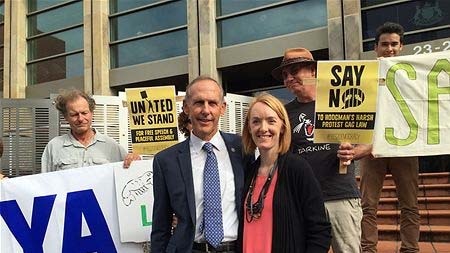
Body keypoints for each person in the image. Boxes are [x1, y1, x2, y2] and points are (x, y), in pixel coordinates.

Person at [271, 47, 361, 253]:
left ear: (313, 71)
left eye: (294, 71)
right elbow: (282, 155)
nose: (289, 78)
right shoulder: (284, 113)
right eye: (285, 75)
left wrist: (355, 152)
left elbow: (372, 140)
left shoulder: (341, 101)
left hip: (340, 195)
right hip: (304, 199)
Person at [151, 76, 245, 253]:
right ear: (186, 107)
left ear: (222, 108)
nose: (206, 110)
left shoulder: (242, 150)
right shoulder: (165, 161)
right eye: (198, 103)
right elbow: (160, 225)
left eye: (212, 103)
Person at [354, 22, 420, 253]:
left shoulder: (415, 75)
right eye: (385, 44)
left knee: (410, 205)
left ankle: (410, 249)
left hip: (405, 147)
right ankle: (368, 249)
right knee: (367, 206)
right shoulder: (364, 76)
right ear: (376, 48)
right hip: (371, 148)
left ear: (401, 46)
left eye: (394, 44)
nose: (389, 48)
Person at [240, 92, 331, 253]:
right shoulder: (248, 172)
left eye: (271, 121)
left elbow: (320, 230)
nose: (263, 128)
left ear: (282, 126)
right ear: (249, 127)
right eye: (256, 121)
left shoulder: (297, 169)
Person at [41, 89, 140, 171]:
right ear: (66, 117)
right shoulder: (54, 147)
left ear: (92, 113)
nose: (80, 119)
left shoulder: (111, 145)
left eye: (84, 113)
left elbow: (129, 173)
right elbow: (45, 184)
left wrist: (135, 161)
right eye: (74, 114)